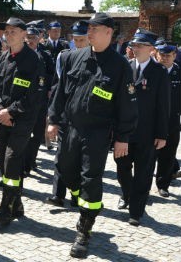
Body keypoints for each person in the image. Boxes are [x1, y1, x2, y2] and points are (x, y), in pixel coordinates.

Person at [46, 13, 138, 258]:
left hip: (97, 132)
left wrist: (122, 137)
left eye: (95, 29)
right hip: (71, 128)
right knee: (64, 168)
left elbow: (126, 106)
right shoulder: (72, 58)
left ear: (109, 32)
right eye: (89, 28)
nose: (90, 32)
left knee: (91, 178)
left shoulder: (120, 67)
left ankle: (84, 231)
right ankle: (81, 198)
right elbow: (60, 93)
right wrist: (53, 120)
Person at [0, 17, 42, 230]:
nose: (8, 35)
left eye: (12, 31)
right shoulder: (1, 58)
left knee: (11, 160)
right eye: (6, 31)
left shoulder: (33, 60)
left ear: (23, 34)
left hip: (22, 120)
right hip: (2, 119)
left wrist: (11, 111)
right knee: (2, 160)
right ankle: (17, 203)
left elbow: (35, 94)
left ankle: (5, 209)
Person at [114, 29, 169, 226]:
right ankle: (127, 195)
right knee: (122, 169)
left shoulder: (160, 72)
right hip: (124, 133)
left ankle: (136, 211)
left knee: (144, 173)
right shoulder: (125, 67)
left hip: (147, 133)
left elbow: (164, 106)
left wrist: (162, 134)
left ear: (151, 49)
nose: (134, 48)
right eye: (134, 45)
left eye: (139, 45)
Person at [45, 20, 89, 207]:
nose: (78, 44)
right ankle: (58, 194)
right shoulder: (65, 57)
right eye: (76, 40)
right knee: (61, 155)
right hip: (65, 113)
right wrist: (53, 116)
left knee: (77, 158)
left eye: (82, 40)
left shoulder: (95, 59)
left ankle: (76, 192)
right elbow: (59, 86)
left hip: (84, 116)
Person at [22, 27, 54, 177]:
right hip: (23, 101)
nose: (30, 40)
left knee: (37, 133)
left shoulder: (45, 55)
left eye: (33, 37)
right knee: (24, 133)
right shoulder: (19, 54)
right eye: (27, 37)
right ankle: (23, 162)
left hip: (40, 100)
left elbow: (52, 74)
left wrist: (49, 90)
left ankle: (32, 159)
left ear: (39, 38)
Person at [154, 43, 181, 196]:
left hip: (172, 119)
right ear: (157, 55)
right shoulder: (152, 71)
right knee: (148, 153)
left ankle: (163, 184)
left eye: (168, 56)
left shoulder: (179, 72)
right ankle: (141, 184)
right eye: (162, 55)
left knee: (168, 153)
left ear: (174, 56)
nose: (164, 58)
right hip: (152, 119)